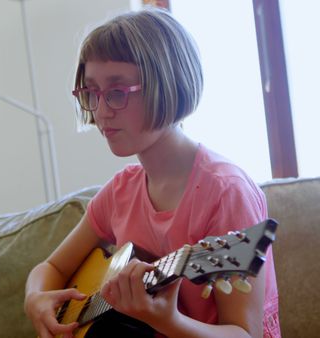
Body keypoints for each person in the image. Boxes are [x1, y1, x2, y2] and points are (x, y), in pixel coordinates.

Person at [24, 7, 280, 338]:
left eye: (116, 93)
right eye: (91, 92)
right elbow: (52, 267)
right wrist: (35, 299)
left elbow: (246, 334)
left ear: (168, 85)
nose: (100, 112)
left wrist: (167, 320)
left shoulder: (226, 192)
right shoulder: (120, 192)